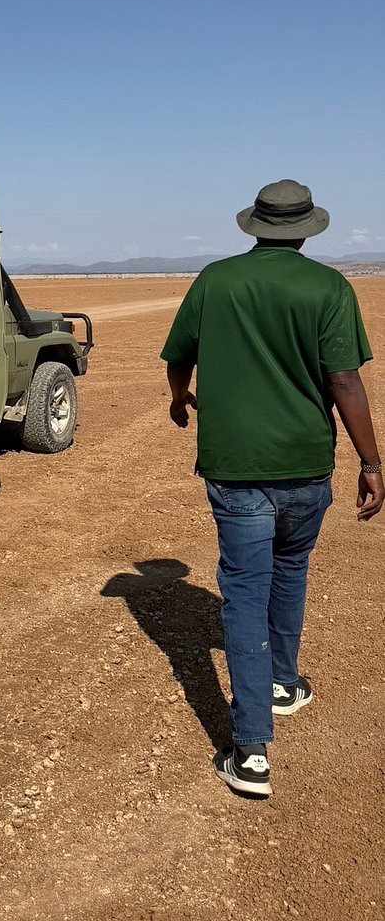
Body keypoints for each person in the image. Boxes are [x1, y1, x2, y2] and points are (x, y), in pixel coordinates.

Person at [161, 179, 382, 798]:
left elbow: (179, 357)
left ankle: (252, 748)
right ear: (308, 229)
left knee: (245, 594)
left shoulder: (215, 280)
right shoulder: (329, 288)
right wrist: (371, 461)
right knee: (291, 570)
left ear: (254, 225)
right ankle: (279, 688)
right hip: (306, 466)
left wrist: (180, 399)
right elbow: (344, 381)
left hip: (236, 469)